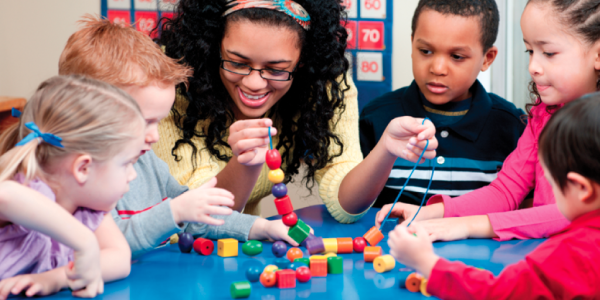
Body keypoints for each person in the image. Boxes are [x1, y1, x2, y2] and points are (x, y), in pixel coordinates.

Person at [154, 0, 437, 223]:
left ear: (302, 63)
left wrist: (385, 150)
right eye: (237, 63)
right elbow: (198, 218)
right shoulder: (171, 83)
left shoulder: (324, 84)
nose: (254, 83)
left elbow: (345, 206)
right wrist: (246, 163)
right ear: (213, 47)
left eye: (276, 69)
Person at [58, 16, 304, 258]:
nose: (154, 136)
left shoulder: (147, 162)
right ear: (87, 112)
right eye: (143, 122)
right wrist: (174, 212)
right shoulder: (77, 174)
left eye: (158, 120)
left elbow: (196, 216)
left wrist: (260, 227)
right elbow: (106, 246)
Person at [376, 0, 600, 241]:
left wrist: (468, 226)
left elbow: (573, 213)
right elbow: (505, 190)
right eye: (530, 51)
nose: (533, 66)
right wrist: (431, 212)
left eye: (548, 53)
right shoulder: (542, 116)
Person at [388, 95, 600, 299]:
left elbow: (498, 293)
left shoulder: (569, 255)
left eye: (552, 183)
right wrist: (429, 212)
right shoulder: (545, 113)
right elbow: (508, 187)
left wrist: (427, 263)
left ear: (582, 189)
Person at [360, 0, 525, 208]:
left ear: (487, 58)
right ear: (412, 45)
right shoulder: (375, 117)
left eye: (456, 56)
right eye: (426, 51)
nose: (437, 68)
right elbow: (354, 207)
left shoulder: (513, 127)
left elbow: (525, 211)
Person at [0, 75, 146, 299]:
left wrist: (57, 278)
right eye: (127, 164)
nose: (132, 175)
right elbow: (6, 195)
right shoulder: (26, 189)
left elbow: (120, 258)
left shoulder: (87, 210)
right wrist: (85, 242)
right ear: (83, 168)